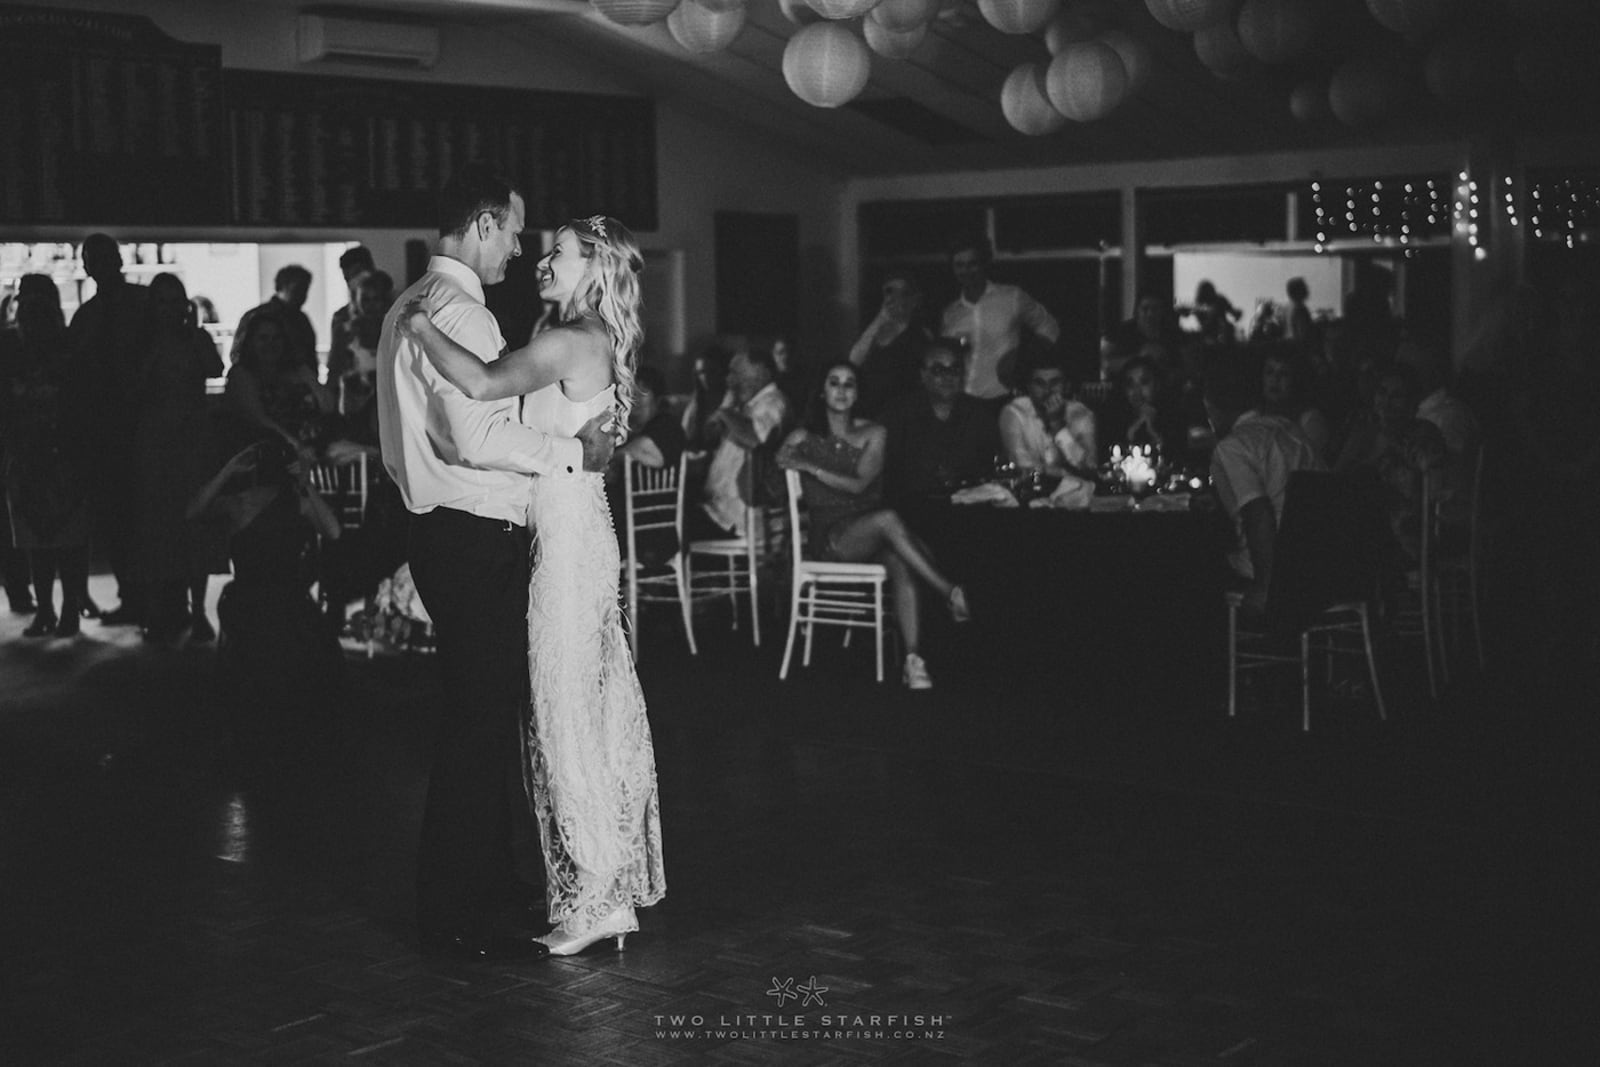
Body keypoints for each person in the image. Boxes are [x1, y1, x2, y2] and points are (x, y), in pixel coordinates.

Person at [397, 211, 665, 958]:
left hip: (568, 544)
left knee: (564, 713)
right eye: (544, 250)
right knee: (567, 708)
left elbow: (484, 382)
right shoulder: (579, 336)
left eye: (560, 253)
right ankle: (599, 887)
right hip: (568, 532)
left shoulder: (570, 339)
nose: (542, 261)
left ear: (595, 268)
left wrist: (418, 328)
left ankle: (600, 898)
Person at [777, 361, 970, 690]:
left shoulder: (874, 433)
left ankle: (913, 661)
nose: (841, 390)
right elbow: (779, 463)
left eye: (849, 384)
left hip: (871, 532)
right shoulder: (802, 435)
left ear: (857, 393)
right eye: (834, 382)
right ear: (822, 392)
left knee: (900, 560)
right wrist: (797, 459)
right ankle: (949, 590)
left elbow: (859, 485)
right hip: (831, 538)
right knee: (889, 520)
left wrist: (811, 466)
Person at [136, 273, 225, 641]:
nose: (170, 309)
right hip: (156, 443)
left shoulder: (197, 338)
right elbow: (133, 387)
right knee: (161, 527)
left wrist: (193, 337)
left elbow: (216, 368)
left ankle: (199, 610)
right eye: (163, 301)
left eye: (176, 301)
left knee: (196, 526)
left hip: (192, 441)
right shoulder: (143, 341)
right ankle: (163, 609)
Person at [2, 275, 91, 636]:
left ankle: (55, 609)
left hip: (49, 454)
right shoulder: (66, 349)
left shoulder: (15, 348)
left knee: (48, 538)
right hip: (42, 454)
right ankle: (59, 609)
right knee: (50, 538)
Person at [69, 233, 151, 625]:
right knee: (128, 518)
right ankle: (144, 596)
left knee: (128, 518)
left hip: (122, 427)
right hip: (117, 429)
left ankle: (141, 596)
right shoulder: (138, 304)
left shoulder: (90, 316)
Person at [1205, 358, 1324, 615]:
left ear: (1212, 408)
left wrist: (1264, 586)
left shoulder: (1233, 447)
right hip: (1323, 558)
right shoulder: (1290, 429)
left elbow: (1258, 513)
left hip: (1281, 569)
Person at [879, 338, 1000, 505]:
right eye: (938, 370)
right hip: (913, 505)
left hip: (969, 506)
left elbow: (991, 469)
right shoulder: (899, 414)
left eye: (954, 369)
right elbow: (887, 472)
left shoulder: (979, 414)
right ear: (923, 375)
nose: (948, 376)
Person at [940, 236, 1060, 402]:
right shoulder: (950, 313)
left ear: (984, 263)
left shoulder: (1011, 297)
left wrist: (1025, 356)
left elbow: (1049, 326)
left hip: (1004, 397)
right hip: (963, 400)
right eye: (959, 265)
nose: (966, 271)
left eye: (972, 264)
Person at [686, 346, 789, 541]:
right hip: (718, 510)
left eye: (736, 373)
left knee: (662, 520)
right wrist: (727, 408)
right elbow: (708, 436)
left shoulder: (773, 403)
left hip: (736, 519)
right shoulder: (747, 406)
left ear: (761, 372)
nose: (729, 380)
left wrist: (724, 413)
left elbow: (756, 438)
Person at [223, 310, 337, 463]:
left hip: (315, 445)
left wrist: (307, 376)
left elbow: (328, 406)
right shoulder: (242, 374)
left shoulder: (297, 371)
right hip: (268, 453)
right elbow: (259, 419)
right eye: (263, 338)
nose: (270, 344)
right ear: (250, 342)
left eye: (277, 338)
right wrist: (296, 446)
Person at [998, 349, 1097, 477]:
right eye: (1040, 383)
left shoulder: (1081, 413)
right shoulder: (1014, 413)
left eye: (1054, 383)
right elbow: (1022, 466)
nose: (1048, 391)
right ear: (1028, 386)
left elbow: (1089, 466)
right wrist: (1064, 473)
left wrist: (1058, 426)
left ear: (1066, 385)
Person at [848, 270, 933, 417]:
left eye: (903, 293)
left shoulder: (922, 335)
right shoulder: (874, 330)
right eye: (889, 292)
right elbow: (854, 361)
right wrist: (880, 319)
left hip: (903, 414)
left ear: (914, 300)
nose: (894, 298)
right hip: (870, 413)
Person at [1099, 354, 1192, 462]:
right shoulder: (1112, 418)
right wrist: (1133, 430)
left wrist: (1152, 430)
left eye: (1144, 382)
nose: (1137, 391)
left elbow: (1177, 457)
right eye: (1130, 384)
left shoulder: (1175, 417)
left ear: (1157, 385)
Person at [230, 265, 317, 373]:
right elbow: (238, 355)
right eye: (298, 289)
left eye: (305, 290)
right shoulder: (255, 316)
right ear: (282, 287)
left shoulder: (302, 320)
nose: (303, 296)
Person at [1100, 292, 1182, 382]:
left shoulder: (1172, 333)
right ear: (1137, 311)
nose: (1150, 314)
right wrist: (1140, 358)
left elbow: (1185, 367)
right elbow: (1106, 364)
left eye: (1155, 309)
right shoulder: (1121, 332)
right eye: (1145, 309)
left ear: (1162, 311)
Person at [327, 245, 377, 382]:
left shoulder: (395, 310)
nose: (353, 282)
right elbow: (335, 363)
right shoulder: (342, 318)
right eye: (347, 278)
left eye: (357, 273)